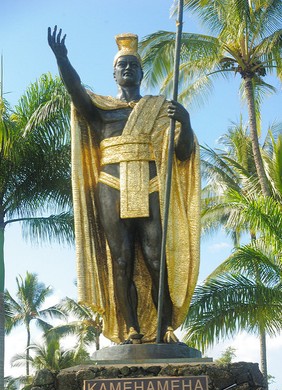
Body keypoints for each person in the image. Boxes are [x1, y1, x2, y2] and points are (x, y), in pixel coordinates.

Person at [48, 26, 201, 344]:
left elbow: (183, 151)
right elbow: (76, 89)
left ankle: (165, 327)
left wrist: (184, 122)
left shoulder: (160, 109)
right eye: (122, 65)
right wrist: (62, 59)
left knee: (156, 257)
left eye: (133, 65)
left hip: (150, 182)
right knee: (120, 259)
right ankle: (131, 327)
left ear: (142, 73)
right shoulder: (101, 110)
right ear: (115, 74)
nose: (128, 68)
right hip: (111, 184)